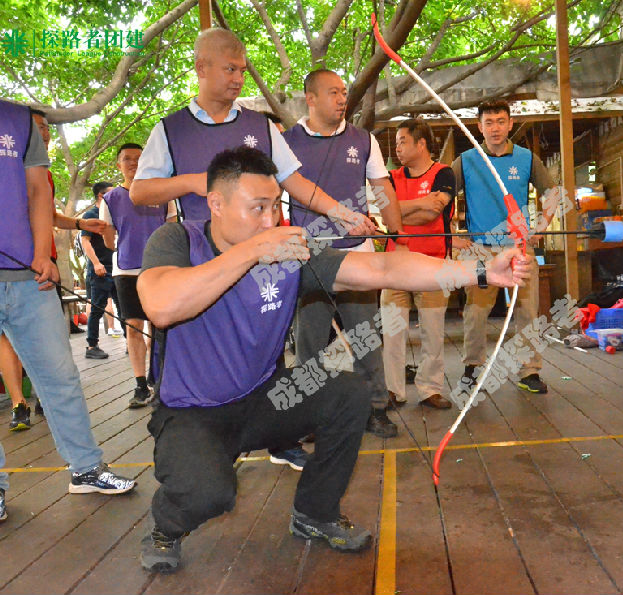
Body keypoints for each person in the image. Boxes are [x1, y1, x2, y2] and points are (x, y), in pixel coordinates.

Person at [135, 146, 529, 572]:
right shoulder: (178, 240)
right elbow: (162, 306)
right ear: (216, 203)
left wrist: (481, 271)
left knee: (348, 392)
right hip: (192, 409)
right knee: (210, 494)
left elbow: (382, 270)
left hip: (265, 397)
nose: (270, 220)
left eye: (275, 207)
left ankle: (315, 513)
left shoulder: (287, 255)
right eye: (258, 208)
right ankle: (166, 527)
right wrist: (252, 251)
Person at [0, 15, 135, 526]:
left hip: (29, 277)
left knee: (61, 377)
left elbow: (39, 192)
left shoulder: (19, 120)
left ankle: (86, 468)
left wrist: (44, 252)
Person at [129, 28, 373, 240]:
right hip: (201, 259)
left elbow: (296, 182)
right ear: (201, 68)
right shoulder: (171, 129)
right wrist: (192, 182)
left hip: (261, 258)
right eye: (230, 69)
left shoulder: (261, 126)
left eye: (242, 71)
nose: (239, 79)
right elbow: (139, 192)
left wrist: (344, 215)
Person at [282, 69, 404, 438]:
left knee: (366, 337)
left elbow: (381, 185)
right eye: (333, 92)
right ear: (311, 98)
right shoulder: (285, 142)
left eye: (343, 92)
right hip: (310, 257)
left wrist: (397, 232)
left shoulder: (363, 140)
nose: (342, 99)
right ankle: (309, 416)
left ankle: (375, 408)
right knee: (310, 344)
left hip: (357, 256)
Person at [2, 109, 110, 429]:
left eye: (47, 127)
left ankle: (46, 399)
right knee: (8, 337)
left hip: (44, 264)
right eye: (38, 127)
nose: (45, 133)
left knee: (48, 336)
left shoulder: (44, 172)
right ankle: (18, 404)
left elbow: (48, 215)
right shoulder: (5, 167)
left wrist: (79, 223)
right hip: (11, 264)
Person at [451, 99, 558, 395]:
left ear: (510, 124)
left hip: (519, 248)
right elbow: (443, 197)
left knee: (528, 310)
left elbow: (552, 193)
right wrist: (453, 236)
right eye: (489, 122)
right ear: (479, 127)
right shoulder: (466, 160)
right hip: (480, 249)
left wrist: (541, 226)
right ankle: (473, 368)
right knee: (475, 312)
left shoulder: (526, 158)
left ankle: (529, 371)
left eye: (500, 121)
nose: (495, 128)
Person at [381, 119, 455, 410]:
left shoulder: (444, 173)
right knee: (392, 332)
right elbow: (385, 216)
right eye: (397, 142)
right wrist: (419, 204)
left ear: (421, 143)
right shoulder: (389, 177)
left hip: (432, 264)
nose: (397, 147)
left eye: (402, 141)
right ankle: (393, 390)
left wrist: (398, 211)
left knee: (433, 331)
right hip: (395, 265)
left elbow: (433, 212)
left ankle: (430, 389)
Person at [101, 143, 166, 408]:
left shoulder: (163, 192)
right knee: (134, 326)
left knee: (160, 326)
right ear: (119, 165)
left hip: (160, 268)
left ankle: (160, 380)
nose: (133, 163)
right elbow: (108, 240)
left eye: (138, 158)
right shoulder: (110, 199)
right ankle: (141, 385)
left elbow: (172, 227)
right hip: (126, 270)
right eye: (127, 158)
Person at [80, 181, 118, 359]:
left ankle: (131, 341)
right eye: (112, 193)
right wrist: (96, 263)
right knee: (97, 308)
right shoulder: (91, 215)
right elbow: (85, 241)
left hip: (117, 267)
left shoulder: (115, 214)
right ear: (101, 196)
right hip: (100, 269)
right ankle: (92, 346)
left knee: (123, 307)